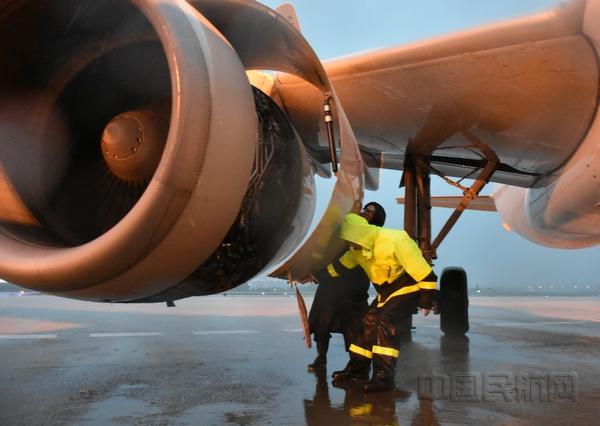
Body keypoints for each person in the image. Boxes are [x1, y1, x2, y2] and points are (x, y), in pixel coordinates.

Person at [329, 213, 437, 392]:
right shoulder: (357, 250)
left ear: (358, 234)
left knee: (385, 322)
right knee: (367, 323)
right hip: (386, 293)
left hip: (409, 286)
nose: (349, 245)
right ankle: (358, 370)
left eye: (350, 240)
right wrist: (311, 275)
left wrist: (426, 300)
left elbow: (426, 274)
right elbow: (338, 267)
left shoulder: (396, 239)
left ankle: (383, 378)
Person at [306, 202, 387, 371]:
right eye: (365, 209)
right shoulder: (344, 232)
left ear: (377, 218)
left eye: (371, 212)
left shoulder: (375, 237)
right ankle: (321, 357)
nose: (366, 213)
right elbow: (327, 253)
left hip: (354, 289)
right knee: (322, 322)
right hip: (330, 285)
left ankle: (356, 365)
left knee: (354, 329)